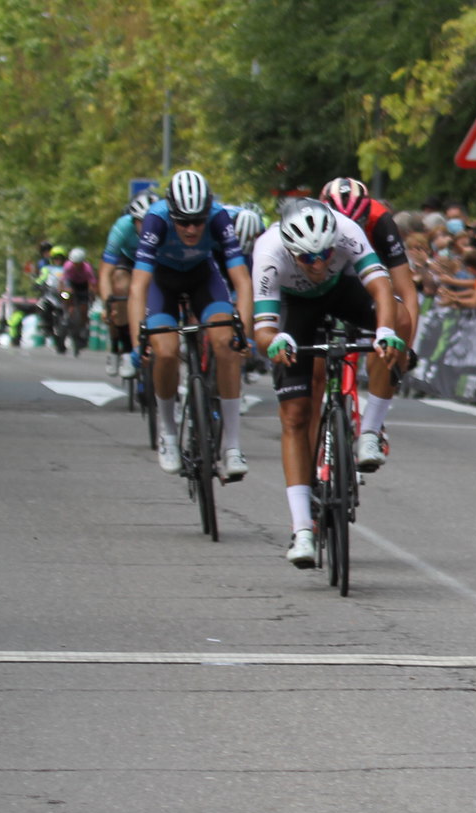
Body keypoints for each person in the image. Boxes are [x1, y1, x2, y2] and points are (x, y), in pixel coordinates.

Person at [253, 202, 403, 567]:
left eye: (325, 254)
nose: (318, 264)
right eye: (308, 258)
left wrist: (384, 331)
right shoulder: (269, 253)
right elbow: (262, 330)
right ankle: (302, 529)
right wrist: (275, 341)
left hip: (342, 292)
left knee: (399, 318)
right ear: (291, 251)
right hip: (295, 307)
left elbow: (381, 287)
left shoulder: (347, 230)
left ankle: (370, 431)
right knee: (295, 416)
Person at [129, 170, 254, 479]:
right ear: (171, 213)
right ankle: (168, 434)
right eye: (183, 222)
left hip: (202, 278)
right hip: (163, 283)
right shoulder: (156, 220)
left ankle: (232, 446)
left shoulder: (219, 218)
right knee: (166, 352)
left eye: (198, 221)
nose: (191, 229)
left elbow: (242, 281)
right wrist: (137, 342)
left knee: (227, 344)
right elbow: (138, 287)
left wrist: (245, 334)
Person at [321, 178, 418, 470]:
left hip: (368, 279)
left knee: (391, 331)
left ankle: (371, 431)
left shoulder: (381, 221)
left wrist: (405, 347)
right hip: (324, 280)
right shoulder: (310, 217)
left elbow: (406, 291)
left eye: (357, 223)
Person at [101, 192, 155, 374]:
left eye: (151, 223)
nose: (147, 228)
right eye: (142, 223)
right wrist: (108, 304)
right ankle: (122, 348)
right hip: (128, 260)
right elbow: (105, 272)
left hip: (153, 261)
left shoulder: (165, 227)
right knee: (122, 286)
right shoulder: (122, 227)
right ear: (133, 221)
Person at [58, 247, 96, 355]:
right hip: (71, 285)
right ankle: (67, 312)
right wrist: (62, 291)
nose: (76, 265)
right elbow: (63, 280)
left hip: (82, 286)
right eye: (74, 263)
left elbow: (92, 283)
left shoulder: (87, 268)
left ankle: (83, 326)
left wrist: (92, 294)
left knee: (84, 308)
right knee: (67, 295)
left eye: (78, 263)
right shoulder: (68, 266)